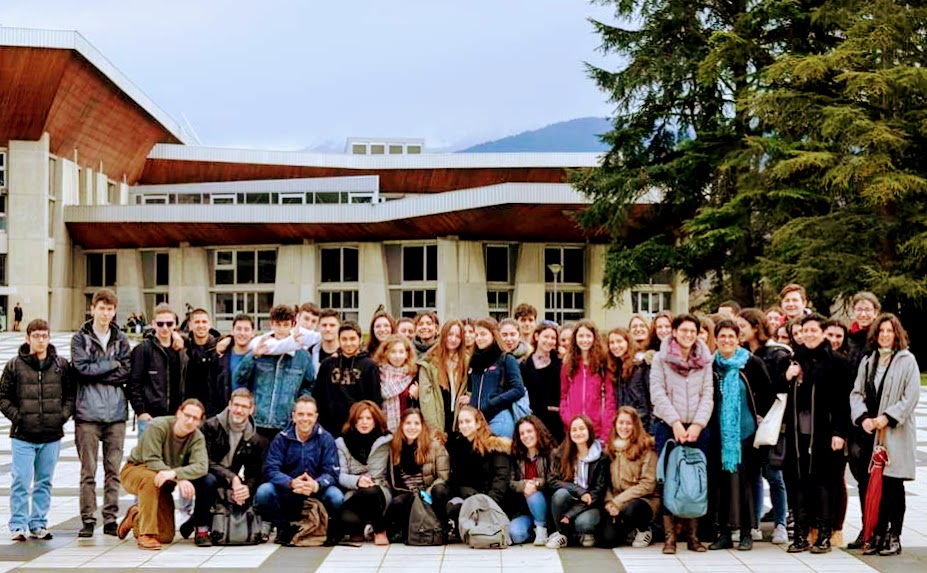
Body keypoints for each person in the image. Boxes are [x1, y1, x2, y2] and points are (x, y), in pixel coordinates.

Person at [849, 314, 919, 556]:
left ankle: (894, 535)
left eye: (890, 331)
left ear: (897, 334)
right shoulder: (868, 361)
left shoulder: (907, 360)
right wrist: (863, 418)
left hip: (895, 432)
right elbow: (857, 393)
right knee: (873, 483)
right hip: (871, 432)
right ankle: (877, 533)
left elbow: (911, 396)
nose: (885, 335)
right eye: (881, 331)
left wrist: (887, 417)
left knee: (893, 484)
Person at [783, 313, 853, 554]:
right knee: (799, 483)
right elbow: (777, 390)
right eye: (805, 330)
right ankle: (801, 534)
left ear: (823, 333)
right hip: (798, 433)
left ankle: (824, 534)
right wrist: (787, 377)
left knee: (825, 483)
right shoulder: (794, 360)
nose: (809, 334)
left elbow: (844, 402)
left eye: (814, 330)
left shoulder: (837, 362)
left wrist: (840, 432)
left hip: (825, 432)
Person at [0, 319, 74, 541]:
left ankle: (38, 523)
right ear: (28, 338)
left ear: (49, 338)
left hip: (51, 435)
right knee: (21, 480)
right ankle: (18, 525)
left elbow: (71, 395)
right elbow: (3, 397)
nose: (40, 340)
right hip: (23, 435)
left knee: (44, 481)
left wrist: (61, 416)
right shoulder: (14, 365)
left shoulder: (61, 365)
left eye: (44, 336)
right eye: (36, 336)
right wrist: (18, 418)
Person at [649, 313, 713, 554]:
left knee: (695, 479)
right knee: (671, 479)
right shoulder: (661, 358)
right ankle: (670, 538)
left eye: (692, 331)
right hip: (668, 426)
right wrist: (675, 423)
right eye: (683, 330)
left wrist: (697, 424)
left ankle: (693, 536)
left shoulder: (705, 359)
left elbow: (707, 394)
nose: (688, 335)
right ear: (674, 332)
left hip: (698, 427)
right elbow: (658, 393)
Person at [70, 289, 132, 538]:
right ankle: (88, 518)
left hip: (115, 414)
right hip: (87, 414)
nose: (105, 313)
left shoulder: (121, 338)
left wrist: (99, 371)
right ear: (93, 309)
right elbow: (81, 370)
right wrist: (112, 364)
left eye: (109, 309)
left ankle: (110, 518)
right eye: (101, 308)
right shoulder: (80, 339)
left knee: (113, 471)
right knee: (88, 471)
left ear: (114, 311)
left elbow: (126, 371)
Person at [707, 320, 773, 551]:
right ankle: (724, 533)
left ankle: (746, 532)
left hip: (746, 434)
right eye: (722, 336)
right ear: (716, 339)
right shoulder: (711, 365)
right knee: (721, 485)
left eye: (731, 336)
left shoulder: (752, 363)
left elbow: (767, 393)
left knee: (745, 484)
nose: (726, 340)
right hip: (719, 434)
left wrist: (759, 416)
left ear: (738, 339)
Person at [116, 399, 208, 550]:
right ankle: (146, 534)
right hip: (137, 470)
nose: (190, 421)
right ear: (179, 412)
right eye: (187, 415)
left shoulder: (196, 437)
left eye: (195, 418)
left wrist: (175, 473)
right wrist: (179, 478)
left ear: (200, 422)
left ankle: (136, 517)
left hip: (164, 482)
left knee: (165, 536)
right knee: (151, 478)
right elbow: (151, 459)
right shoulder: (158, 426)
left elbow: (202, 466)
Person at [254, 396, 343, 545]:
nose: (305, 419)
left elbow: (332, 472)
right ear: (293, 416)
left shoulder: (326, 439)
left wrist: (316, 484)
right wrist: (291, 482)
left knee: (336, 497)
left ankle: (327, 529)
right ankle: (283, 528)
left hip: (316, 491)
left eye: (309, 415)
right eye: (301, 414)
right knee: (264, 492)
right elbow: (270, 469)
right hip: (288, 491)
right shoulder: (281, 438)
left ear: (316, 417)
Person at [182, 388, 266, 545]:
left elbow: (254, 472)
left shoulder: (254, 437)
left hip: (229, 477)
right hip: (203, 472)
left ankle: (244, 527)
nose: (239, 410)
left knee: (251, 488)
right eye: (236, 405)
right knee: (209, 481)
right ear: (229, 405)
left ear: (251, 410)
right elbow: (204, 462)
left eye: (244, 407)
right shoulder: (211, 426)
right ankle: (201, 530)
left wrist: (245, 488)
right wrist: (232, 478)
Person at [736, 308, 790, 545]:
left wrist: (763, 414)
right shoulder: (742, 355)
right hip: (750, 423)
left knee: (774, 474)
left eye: (742, 327)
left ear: (755, 327)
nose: (738, 331)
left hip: (771, 422)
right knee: (753, 475)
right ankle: (754, 522)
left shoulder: (776, 354)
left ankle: (781, 523)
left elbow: (777, 389)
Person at [234, 305, 316, 441]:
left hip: (286, 423)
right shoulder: (260, 348)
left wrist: (297, 405)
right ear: (272, 324)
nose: (282, 329)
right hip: (258, 421)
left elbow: (309, 385)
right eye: (278, 324)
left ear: (293, 325)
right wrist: (253, 356)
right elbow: (239, 378)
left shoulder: (302, 356)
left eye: (286, 325)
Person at [385, 408, 450, 542]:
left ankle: (441, 527)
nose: (412, 427)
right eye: (408, 423)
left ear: (422, 426)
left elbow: (443, 476)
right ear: (402, 425)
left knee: (440, 491)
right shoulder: (394, 446)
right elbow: (393, 480)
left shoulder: (434, 445)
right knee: (397, 503)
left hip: (429, 492)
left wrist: (425, 493)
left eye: (416, 423)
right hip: (408, 493)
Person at [598, 407, 659, 548]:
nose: (624, 427)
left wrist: (618, 502)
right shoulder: (610, 449)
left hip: (643, 500)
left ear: (635, 425)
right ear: (615, 425)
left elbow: (647, 485)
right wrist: (610, 502)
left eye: (628, 423)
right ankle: (627, 531)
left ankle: (644, 530)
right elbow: (605, 482)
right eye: (621, 423)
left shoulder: (646, 448)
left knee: (631, 510)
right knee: (606, 541)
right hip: (616, 499)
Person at [446, 406, 511, 533]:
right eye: (461, 422)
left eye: (468, 421)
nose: (464, 426)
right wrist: (466, 493)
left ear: (478, 424)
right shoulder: (459, 446)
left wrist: (486, 504)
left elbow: (501, 479)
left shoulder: (494, 445)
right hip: (469, 498)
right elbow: (456, 479)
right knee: (452, 506)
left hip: (493, 501)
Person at [546, 415, 608, 549]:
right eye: (574, 430)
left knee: (583, 524)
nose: (578, 433)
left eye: (582, 428)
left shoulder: (601, 457)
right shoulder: (559, 454)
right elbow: (552, 481)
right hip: (569, 500)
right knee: (560, 494)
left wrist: (570, 514)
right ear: (569, 433)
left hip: (590, 504)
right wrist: (580, 491)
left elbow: (598, 491)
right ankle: (561, 534)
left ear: (589, 430)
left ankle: (581, 533)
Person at [128, 303, 189, 439]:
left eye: (169, 324)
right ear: (153, 324)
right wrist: (141, 411)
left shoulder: (182, 350)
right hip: (150, 417)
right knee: (148, 452)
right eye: (160, 324)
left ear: (175, 325)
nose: (165, 328)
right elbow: (133, 383)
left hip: (176, 417)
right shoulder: (143, 349)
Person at [336, 401, 392, 545]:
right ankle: (362, 527)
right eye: (359, 418)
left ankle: (379, 531)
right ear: (353, 421)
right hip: (355, 492)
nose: (364, 422)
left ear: (375, 420)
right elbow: (340, 476)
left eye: (368, 418)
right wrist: (357, 481)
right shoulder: (342, 443)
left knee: (371, 491)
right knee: (346, 519)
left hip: (380, 490)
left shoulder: (387, 441)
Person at [315, 321, 382, 437]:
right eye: (344, 339)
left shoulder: (370, 366)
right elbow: (318, 396)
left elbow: (374, 401)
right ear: (339, 340)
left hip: (358, 428)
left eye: (352, 339)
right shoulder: (327, 364)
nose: (348, 343)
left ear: (360, 339)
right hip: (329, 429)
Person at [468, 318, 527, 437]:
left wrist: (492, 402)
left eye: (483, 334)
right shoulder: (474, 361)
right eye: (477, 335)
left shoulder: (506, 358)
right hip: (477, 419)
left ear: (493, 335)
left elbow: (518, 389)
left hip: (499, 416)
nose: (479, 338)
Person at [560, 320, 615, 440]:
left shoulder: (603, 364)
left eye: (588, 336)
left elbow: (609, 399)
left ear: (595, 338)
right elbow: (564, 396)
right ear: (575, 338)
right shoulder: (568, 364)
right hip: (574, 430)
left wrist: (605, 431)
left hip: (597, 430)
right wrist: (568, 419)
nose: (584, 340)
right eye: (581, 336)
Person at [507, 415, 557, 546]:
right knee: (516, 535)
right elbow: (510, 482)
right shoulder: (516, 455)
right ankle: (534, 532)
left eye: (529, 431)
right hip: (524, 510)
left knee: (533, 494)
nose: (526, 436)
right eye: (522, 433)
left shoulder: (551, 453)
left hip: (545, 506)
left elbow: (553, 479)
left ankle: (542, 529)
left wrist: (536, 484)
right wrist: (523, 485)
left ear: (537, 431)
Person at [418, 320, 469, 434]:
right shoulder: (429, 363)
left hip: (460, 423)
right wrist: (435, 430)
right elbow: (426, 400)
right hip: (437, 422)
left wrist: (470, 397)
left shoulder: (467, 361)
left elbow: (471, 387)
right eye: (450, 334)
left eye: (458, 336)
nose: (453, 339)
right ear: (443, 335)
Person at [521, 321, 564, 442]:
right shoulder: (525, 365)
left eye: (553, 338)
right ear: (536, 336)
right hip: (534, 420)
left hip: (557, 421)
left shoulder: (560, 363)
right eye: (546, 336)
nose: (549, 341)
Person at [210, 314, 254, 420]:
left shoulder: (259, 358)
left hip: (250, 417)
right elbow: (211, 389)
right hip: (224, 414)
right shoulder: (220, 357)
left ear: (253, 333)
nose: (242, 333)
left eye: (246, 329)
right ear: (232, 331)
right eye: (238, 329)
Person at [608, 327, 652, 432]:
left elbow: (651, 400)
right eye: (612, 343)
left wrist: (650, 430)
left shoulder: (640, 366)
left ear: (628, 342)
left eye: (619, 341)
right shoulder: (616, 368)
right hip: (624, 427)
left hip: (641, 425)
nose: (615, 346)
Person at [373, 335, 418, 432]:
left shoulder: (413, 376)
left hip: (407, 429)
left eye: (401, 352)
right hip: (381, 428)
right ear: (386, 353)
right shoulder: (376, 373)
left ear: (407, 354)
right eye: (393, 352)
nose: (397, 356)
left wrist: (417, 397)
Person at [183, 309, 223, 417]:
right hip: (188, 409)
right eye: (197, 322)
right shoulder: (183, 348)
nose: (201, 325)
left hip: (214, 409)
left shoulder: (219, 348)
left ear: (210, 324)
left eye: (204, 322)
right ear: (190, 325)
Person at [847, 292, 880, 370]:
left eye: (867, 310)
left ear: (875, 313)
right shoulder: (847, 337)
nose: (863, 314)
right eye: (859, 310)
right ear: (853, 311)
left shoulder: (880, 337)